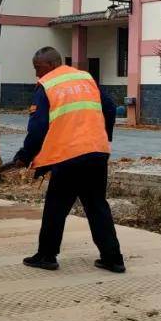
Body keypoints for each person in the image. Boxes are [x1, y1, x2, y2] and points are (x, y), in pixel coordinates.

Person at [13, 46, 125, 273]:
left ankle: (46, 256)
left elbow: (37, 128)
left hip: (70, 156)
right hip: (97, 152)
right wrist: (104, 137)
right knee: (96, 205)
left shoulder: (48, 85)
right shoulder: (85, 78)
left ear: (51, 64)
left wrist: (25, 155)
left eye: (38, 68)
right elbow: (111, 107)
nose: (37, 74)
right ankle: (113, 259)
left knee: (56, 206)